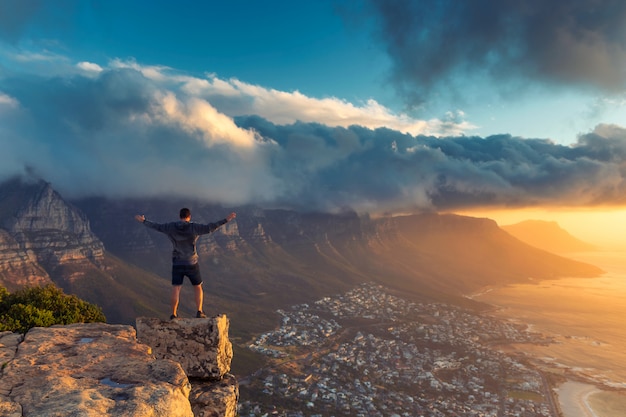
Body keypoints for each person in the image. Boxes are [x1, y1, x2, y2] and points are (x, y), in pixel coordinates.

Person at [134, 208, 236, 319]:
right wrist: (226, 220)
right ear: (189, 216)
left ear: (180, 216)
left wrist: (144, 221)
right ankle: (199, 311)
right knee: (197, 287)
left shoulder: (171, 227)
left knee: (176, 288)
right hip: (191, 262)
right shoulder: (194, 227)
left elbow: (157, 226)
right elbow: (210, 227)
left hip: (177, 262)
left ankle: (173, 314)